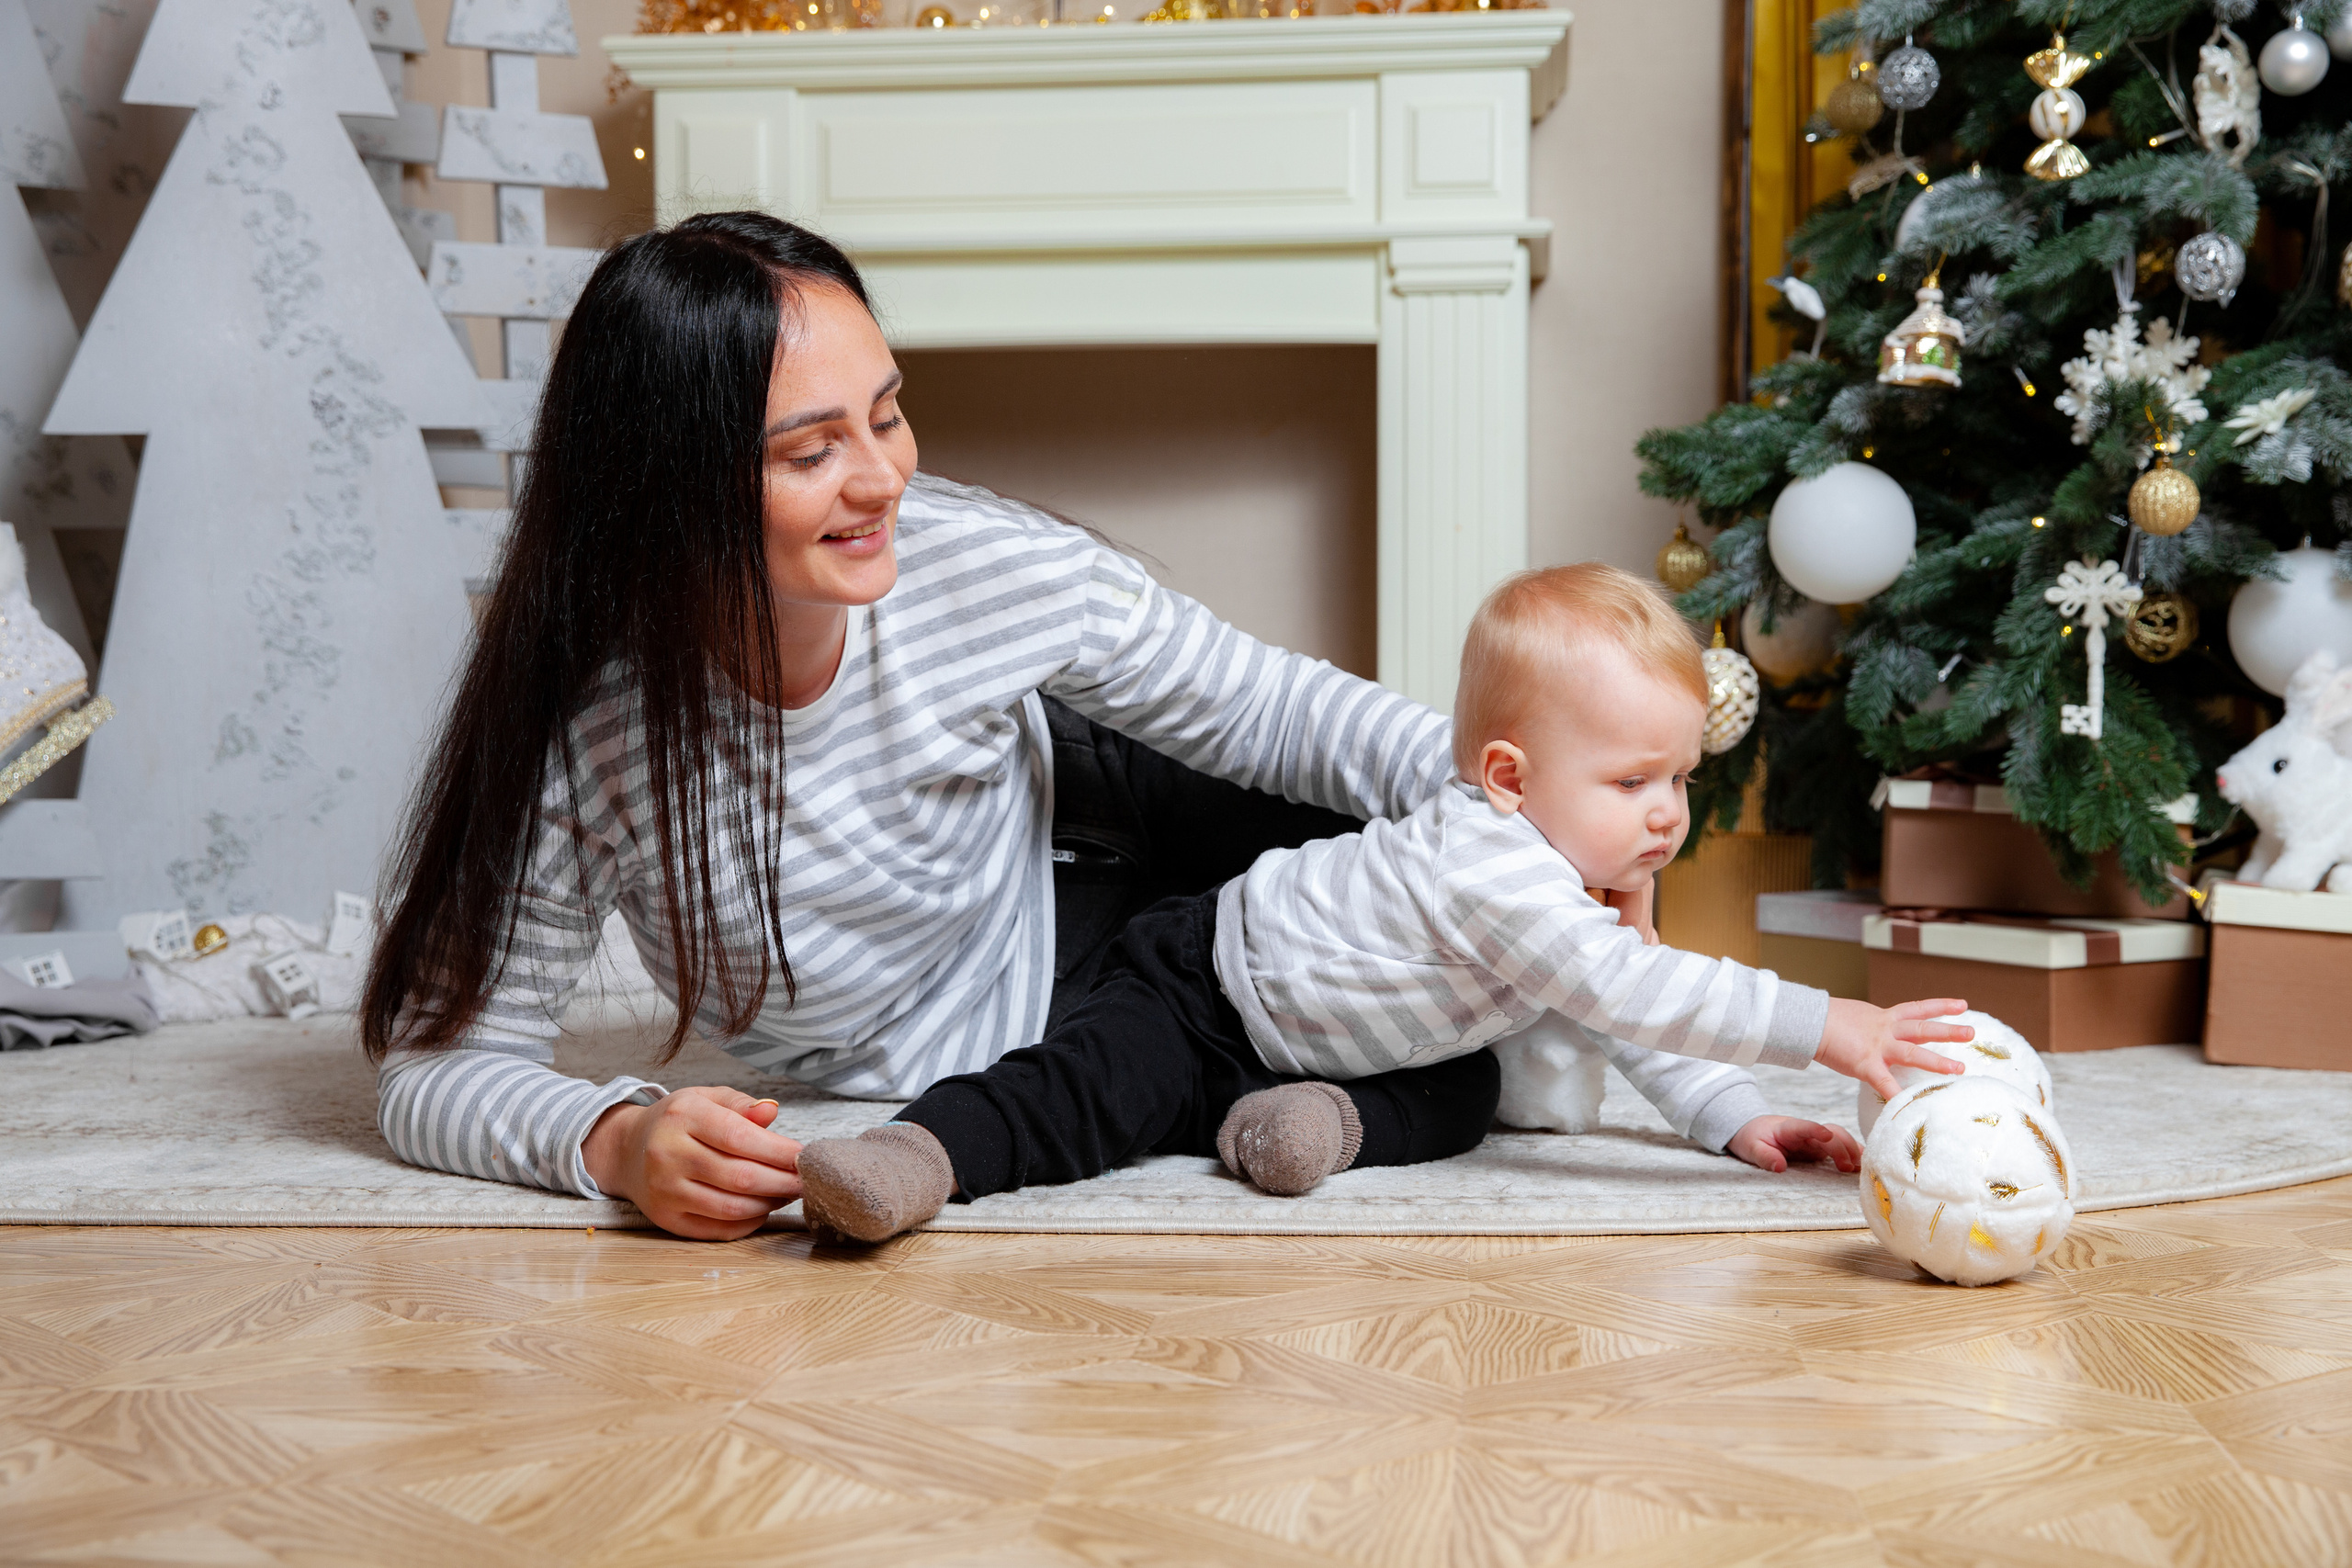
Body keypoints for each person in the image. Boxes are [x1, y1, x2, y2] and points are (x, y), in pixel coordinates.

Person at [360, 210, 1496, 1240]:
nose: (884, 479)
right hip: (1091, 999)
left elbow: (1280, 713)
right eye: (813, 452)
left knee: (1454, 919)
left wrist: (1524, 803)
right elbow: (439, 1062)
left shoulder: (978, 561)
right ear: (670, 492)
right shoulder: (590, 740)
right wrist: (612, 1141)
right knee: (1241, 1043)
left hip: (1123, 804)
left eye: (889, 415)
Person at [793, 563, 1974, 1240]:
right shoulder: (1493, 859)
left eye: (1677, 779)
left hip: (1340, 1049)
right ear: (1509, 778)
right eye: (1631, 782)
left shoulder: (1585, 870)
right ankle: (918, 1159)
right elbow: (1635, 984)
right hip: (1204, 986)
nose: (1666, 814)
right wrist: (1836, 1028)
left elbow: (1626, 1005)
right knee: (1093, 1093)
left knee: (1472, 1089)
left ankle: (1313, 1123)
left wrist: (1727, 1115)